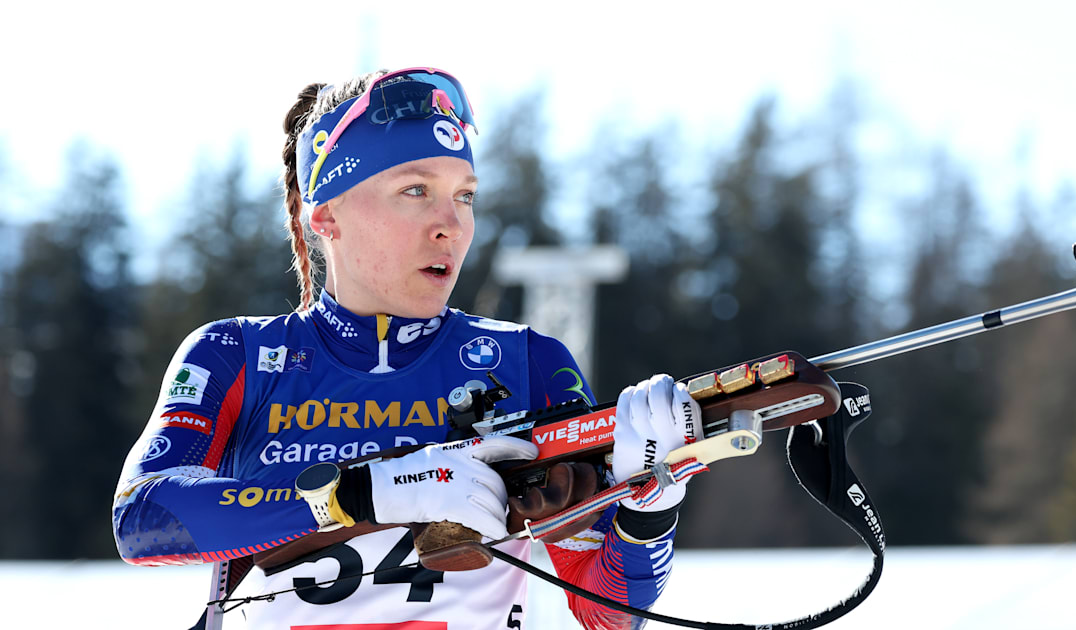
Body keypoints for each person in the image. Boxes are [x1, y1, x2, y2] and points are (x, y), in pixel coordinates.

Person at [112, 67, 701, 630]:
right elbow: (143, 520)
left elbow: (605, 611)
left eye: (465, 195)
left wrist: (648, 510)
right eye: (415, 190)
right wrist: (363, 494)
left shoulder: (529, 361)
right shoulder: (235, 353)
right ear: (326, 214)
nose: (451, 224)